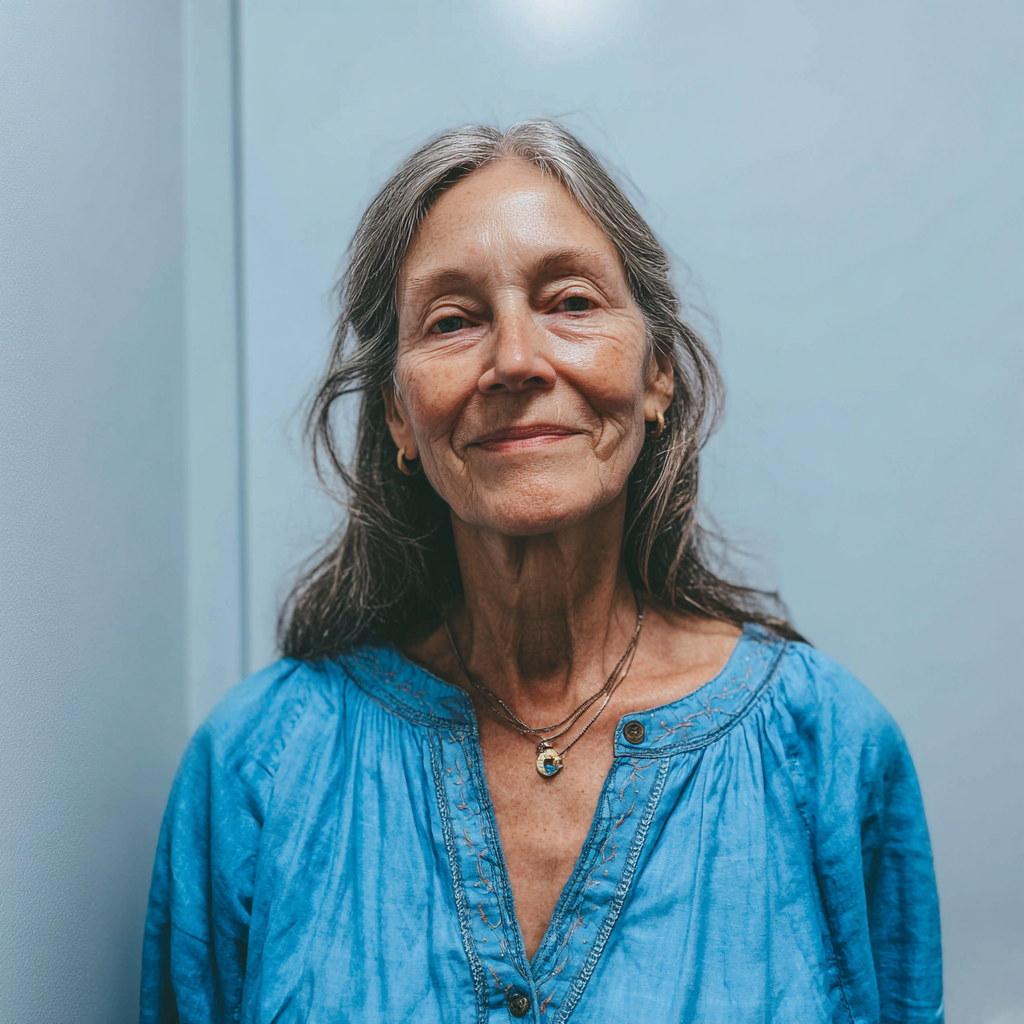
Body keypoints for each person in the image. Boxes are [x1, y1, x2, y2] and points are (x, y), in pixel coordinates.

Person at [141, 120, 942, 1023]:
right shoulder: (256, 767)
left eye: (570, 302)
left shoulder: (828, 750)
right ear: (401, 418)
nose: (516, 361)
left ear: (656, 378)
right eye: (452, 321)